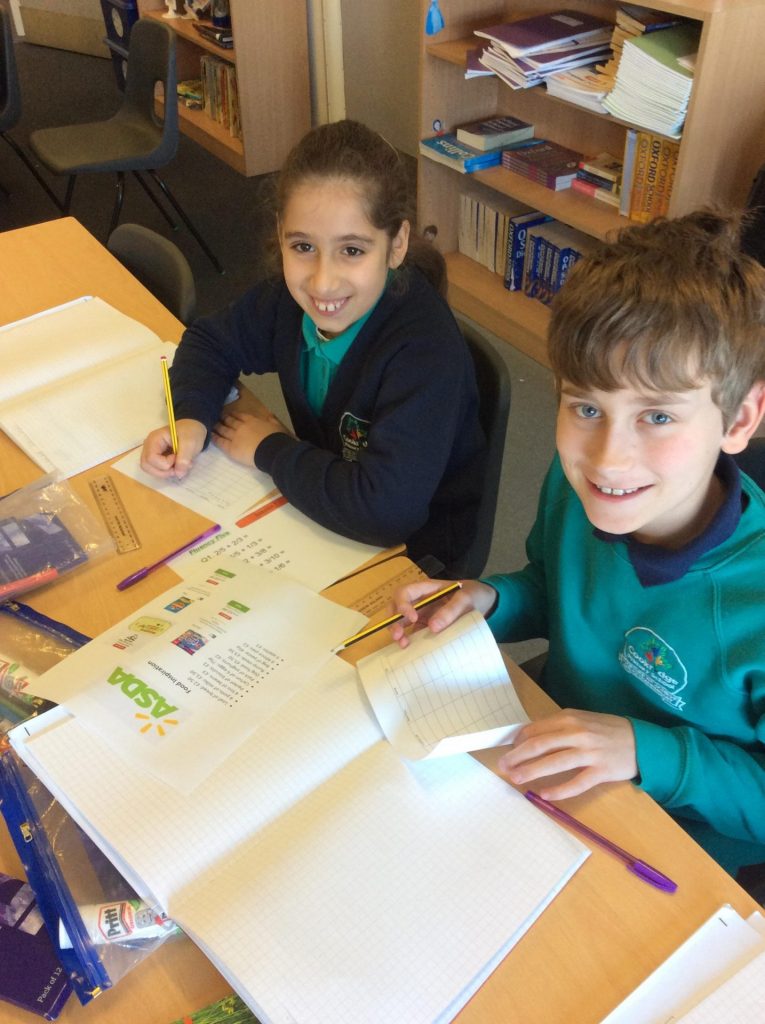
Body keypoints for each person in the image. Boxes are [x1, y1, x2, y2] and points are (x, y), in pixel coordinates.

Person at [391, 209, 765, 880]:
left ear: (738, 420)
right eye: (586, 407)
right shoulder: (580, 488)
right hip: (555, 770)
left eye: (657, 415)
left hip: (683, 848)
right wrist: (491, 600)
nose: (607, 457)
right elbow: (554, 587)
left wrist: (649, 751)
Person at [141, 119, 485, 573]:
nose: (322, 282)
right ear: (282, 232)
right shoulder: (288, 302)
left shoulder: (425, 352)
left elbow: (386, 513)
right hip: (325, 511)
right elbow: (209, 342)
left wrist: (270, 449)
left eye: (352, 251)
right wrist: (191, 418)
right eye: (303, 247)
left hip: (412, 558)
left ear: (397, 244)